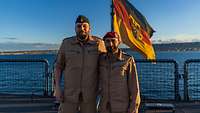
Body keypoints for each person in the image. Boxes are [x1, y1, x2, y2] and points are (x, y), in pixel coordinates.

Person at [54, 15, 106, 113]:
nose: (81, 29)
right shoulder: (66, 43)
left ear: (89, 28)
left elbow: (105, 65)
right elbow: (58, 66)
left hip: (90, 95)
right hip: (69, 94)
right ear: (75, 28)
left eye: (84, 26)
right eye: (78, 26)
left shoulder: (99, 43)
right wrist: (57, 88)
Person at [98, 32, 141, 113]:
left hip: (122, 108)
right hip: (104, 108)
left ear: (119, 42)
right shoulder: (101, 60)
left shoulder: (127, 60)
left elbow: (134, 87)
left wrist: (133, 109)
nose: (110, 44)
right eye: (107, 41)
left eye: (113, 41)